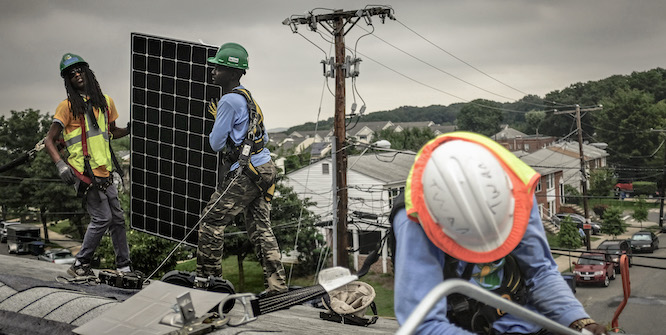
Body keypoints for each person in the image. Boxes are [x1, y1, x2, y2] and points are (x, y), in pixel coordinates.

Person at [391, 132, 607, 335]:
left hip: (524, 319)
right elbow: (422, 324)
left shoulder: (518, 187)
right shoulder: (415, 220)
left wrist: (579, 322)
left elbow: (540, 272)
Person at [196, 42, 287, 294]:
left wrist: (219, 120)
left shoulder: (227, 101)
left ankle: (209, 283)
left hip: (245, 172)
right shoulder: (249, 99)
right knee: (260, 228)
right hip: (265, 167)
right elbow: (264, 138)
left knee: (210, 222)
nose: (213, 71)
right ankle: (277, 285)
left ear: (234, 73)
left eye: (219, 67)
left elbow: (215, 144)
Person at [44, 53, 132, 278]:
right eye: (71, 74)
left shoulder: (105, 102)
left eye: (80, 70)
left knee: (118, 219)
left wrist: (131, 129)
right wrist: (60, 166)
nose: (77, 74)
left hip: (105, 172)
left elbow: (112, 131)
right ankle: (79, 264)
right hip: (83, 173)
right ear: (68, 80)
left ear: (87, 72)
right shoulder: (67, 107)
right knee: (102, 218)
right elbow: (49, 139)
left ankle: (124, 266)